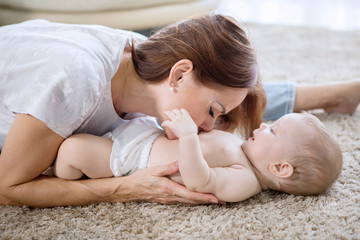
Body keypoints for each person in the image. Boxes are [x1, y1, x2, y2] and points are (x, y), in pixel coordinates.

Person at [0, 14, 358, 207]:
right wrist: (122, 188)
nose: (211, 126)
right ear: (181, 73)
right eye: (213, 111)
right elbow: (8, 188)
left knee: (235, 111)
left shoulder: (147, 60)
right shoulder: (74, 81)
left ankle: (321, 93)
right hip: (53, 70)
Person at [53, 108, 343, 202]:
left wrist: (189, 137)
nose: (264, 124)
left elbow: (198, 181)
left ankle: (59, 177)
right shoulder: (244, 149)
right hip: (148, 135)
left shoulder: (246, 182)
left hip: (130, 157)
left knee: (72, 148)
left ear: (280, 168)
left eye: (274, 131)